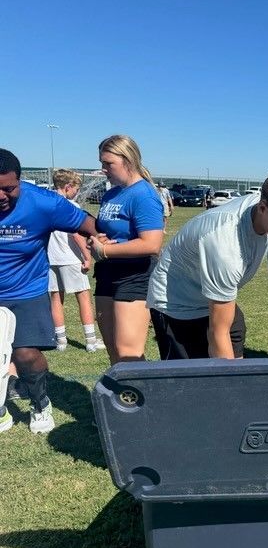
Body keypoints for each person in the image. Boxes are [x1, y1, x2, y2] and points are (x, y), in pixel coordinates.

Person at [147, 170, 268, 360]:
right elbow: (218, 334)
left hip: (210, 295)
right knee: (193, 376)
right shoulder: (225, 244)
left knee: (235, 335)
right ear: (262, 208)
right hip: (177, 304)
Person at [0, 149, 98, 434]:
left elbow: (87, 224)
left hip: (25, 291)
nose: (1, 196)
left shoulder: (44, 203)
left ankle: (40, 402)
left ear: (20, 181)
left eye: (9, 189)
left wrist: (107, 237)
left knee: (25, 354)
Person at [91, 135, 164, 364]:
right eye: (102, 163)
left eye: (108, 163)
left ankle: (140, 389)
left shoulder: (144, 195)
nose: (104, 169)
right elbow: (110, 231)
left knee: (128, 353)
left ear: (128, 160)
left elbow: (151, 243)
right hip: (107, 274)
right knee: (113, 350)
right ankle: (120, 389)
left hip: (134, 276)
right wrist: (99, 240)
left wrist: (105, 251)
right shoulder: (112, 194)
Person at [47, 169, 105, 353]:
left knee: (56, 298)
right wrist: (87, 257)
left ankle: (60, 340)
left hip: (50, 258)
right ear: (68, 187)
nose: (77, 193)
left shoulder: (46, 204)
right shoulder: (71, 206)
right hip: (70, 258)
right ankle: (91, 341)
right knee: (83, 297)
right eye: (76, 190)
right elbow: (76, 234)